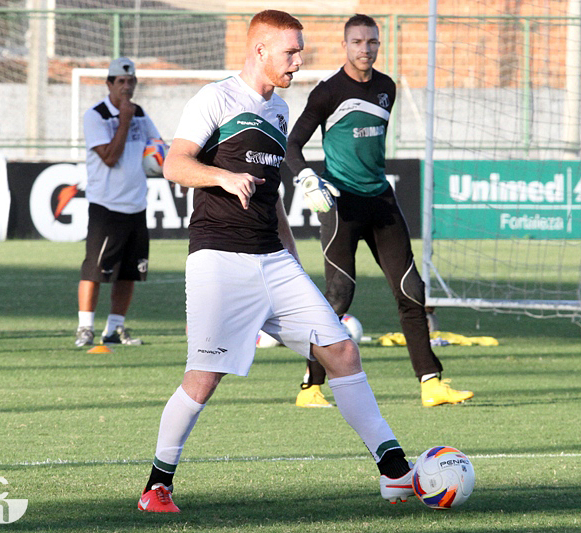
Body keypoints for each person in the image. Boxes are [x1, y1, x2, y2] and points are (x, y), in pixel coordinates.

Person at [137, 10, 413, 513]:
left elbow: (273, 198)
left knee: (343, 351)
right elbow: (175, 163)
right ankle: (157, 485)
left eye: (300, 51)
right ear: (259, 50)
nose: (299, 61)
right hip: (219, 260)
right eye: (290, 52)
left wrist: (290, 257)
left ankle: (395, 473)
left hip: (274, 260)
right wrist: (221, 178)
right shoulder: (216, 98)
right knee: (203, 379)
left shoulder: (282, 110)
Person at [286, 14, 474, 408]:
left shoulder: (387, 87)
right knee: (338, 296)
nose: (365, 49)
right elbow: (292, 145)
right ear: (345, 45)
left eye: (372, 41)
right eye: (357, 41)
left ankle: (430, 383)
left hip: (381, 201)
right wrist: (306, 178)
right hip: (342, 204)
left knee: (412, 290)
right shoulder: (327, 92)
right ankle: (311, 387)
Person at [74, 57, 163, 347]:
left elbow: (158, 148)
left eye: (131, 81)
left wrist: (175, 174)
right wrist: (123, 121)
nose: (126, 86)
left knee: (129, 273)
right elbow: (110, 158)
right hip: (107, 206)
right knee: (95, 270)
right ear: (109, 84)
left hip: (136, 205)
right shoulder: (96, 115)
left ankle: (115, 328)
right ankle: (85, 327)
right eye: (121, 81)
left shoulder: (140, 113)